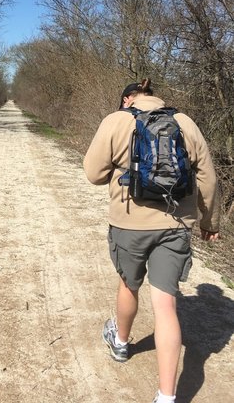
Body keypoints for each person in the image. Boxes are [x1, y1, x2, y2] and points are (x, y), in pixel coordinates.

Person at [83, 78, 220, 403]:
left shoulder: (117, 120)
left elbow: (92, 173)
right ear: (154, 97)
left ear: (128, 98)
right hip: (175, 225)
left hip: (129, 224)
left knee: (129, 285)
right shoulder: (184, 122)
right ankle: (166, 396)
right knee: (166, 304)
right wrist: (208, 221)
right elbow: (208, 176)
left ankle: (121, 342)